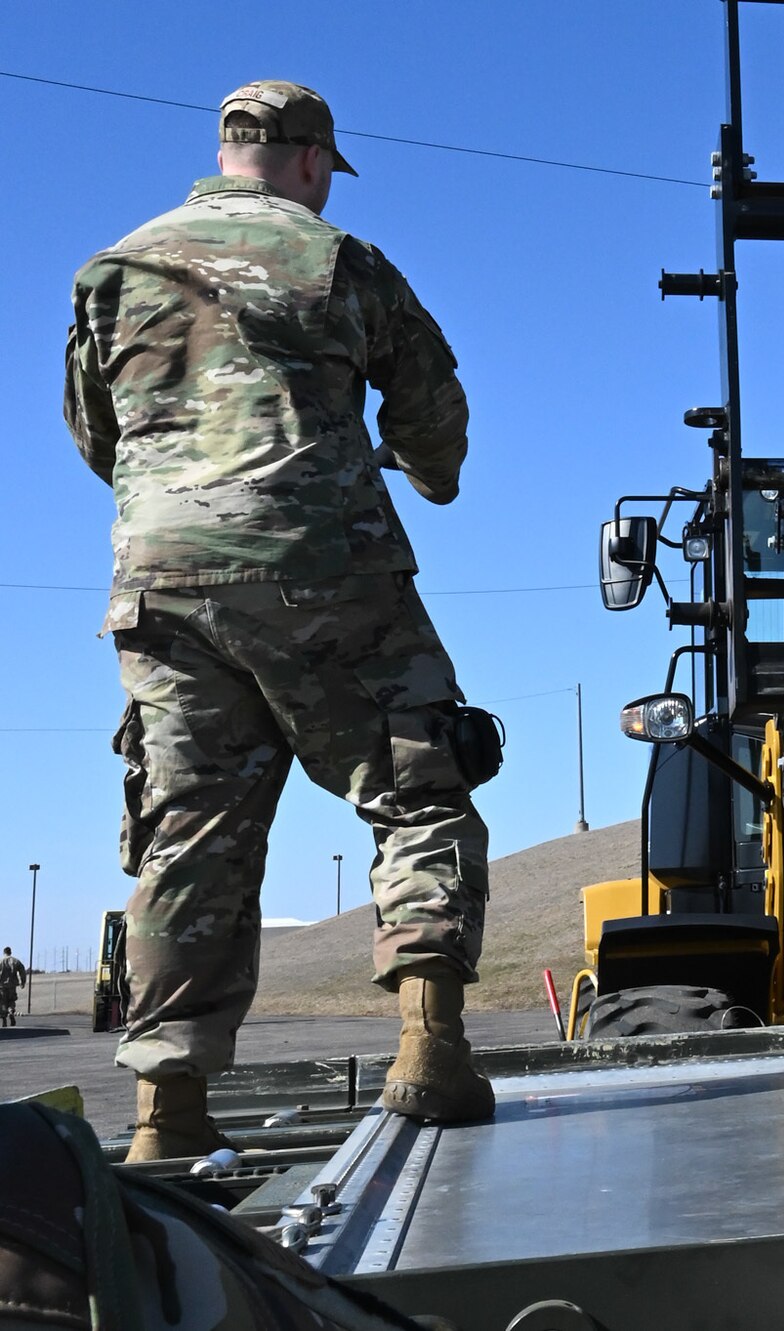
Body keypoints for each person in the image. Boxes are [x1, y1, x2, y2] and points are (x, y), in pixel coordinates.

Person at [65, 81, 493, 1162]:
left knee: (187, 836)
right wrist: (429, 475)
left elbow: (93, 431)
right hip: (319, 564)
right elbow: (431, 403)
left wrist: (180, 493)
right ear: (310, 160)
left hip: (160, 580)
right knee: (416, 782)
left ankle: (168, 1113)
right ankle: (430, 1051)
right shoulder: (335, 258)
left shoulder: (113, 270)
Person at [0, 947, 25, 1026]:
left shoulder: (1, 961)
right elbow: (22, 971)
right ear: (10, 952)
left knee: (3, 1002)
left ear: (4, 952)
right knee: (11, 1000)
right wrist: (22, 982)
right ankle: (11, 1011)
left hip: (2, 986)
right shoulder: (15, 961)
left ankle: (4, 1018)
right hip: (12, 985)